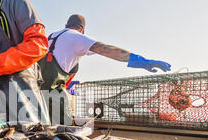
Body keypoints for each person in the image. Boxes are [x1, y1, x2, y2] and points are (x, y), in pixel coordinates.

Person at [39, 14, 171, 125]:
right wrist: (142, 61)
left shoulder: (50, 37)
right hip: (54, 95)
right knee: (63, 133)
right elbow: (107, 50)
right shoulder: (76, 37)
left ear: (66, 25)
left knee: (42, 130)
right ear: (82, 30)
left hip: (35, 93)